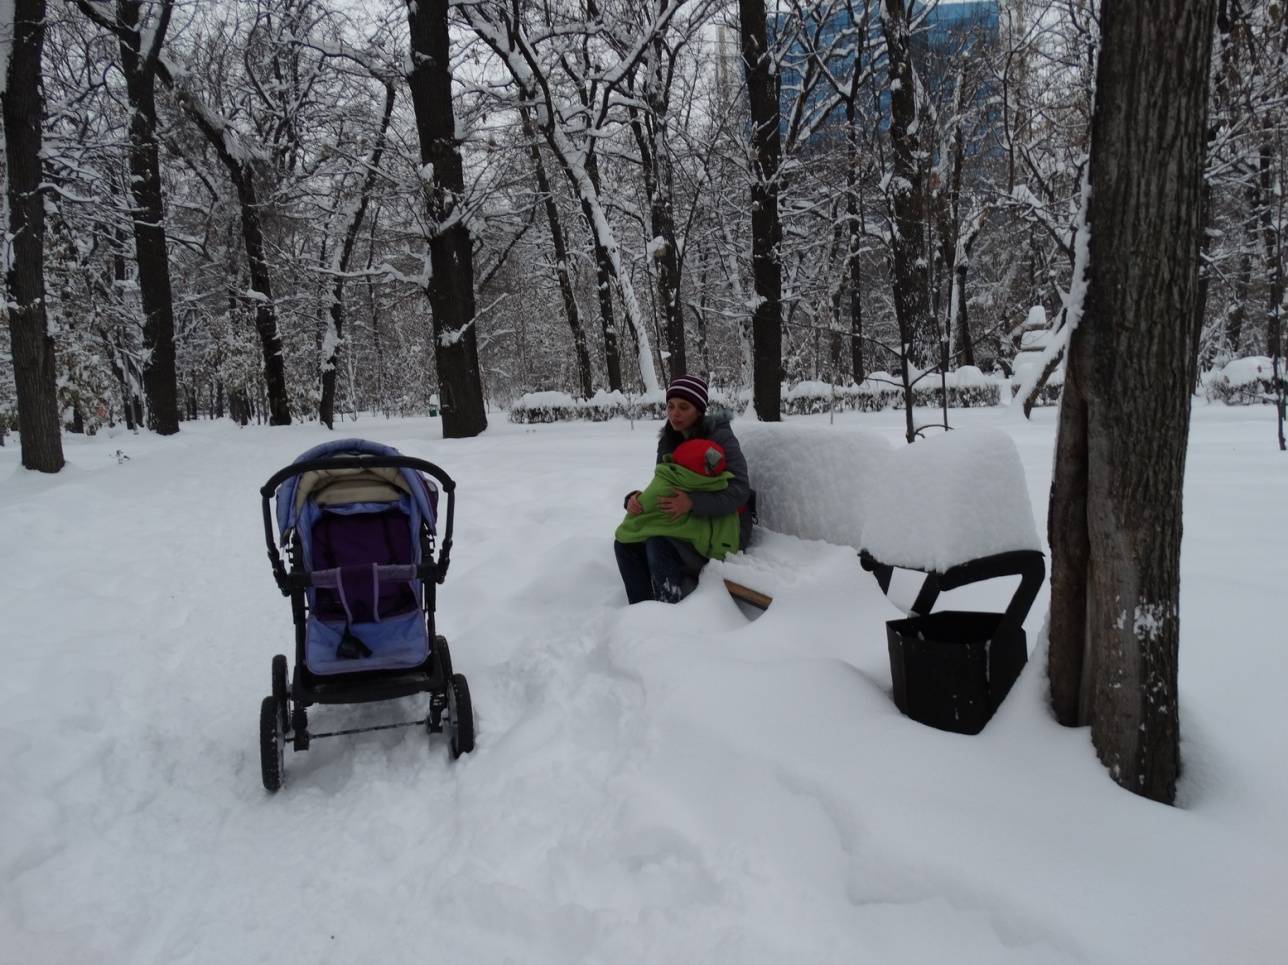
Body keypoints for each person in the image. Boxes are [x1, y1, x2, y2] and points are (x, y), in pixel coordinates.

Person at [614, 374, 754, 603]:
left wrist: (692, 502)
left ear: (699, 410)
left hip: (722, 524)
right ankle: (641, 611)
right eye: (670, 406)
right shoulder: (668, 440)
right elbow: (663, 483)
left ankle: (671, 609)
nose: (674, 413)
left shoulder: (720, 437)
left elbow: (739, 491)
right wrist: (635, 498)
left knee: (657, 543)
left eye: (683, 407)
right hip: (681, 521)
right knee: (624, 544)